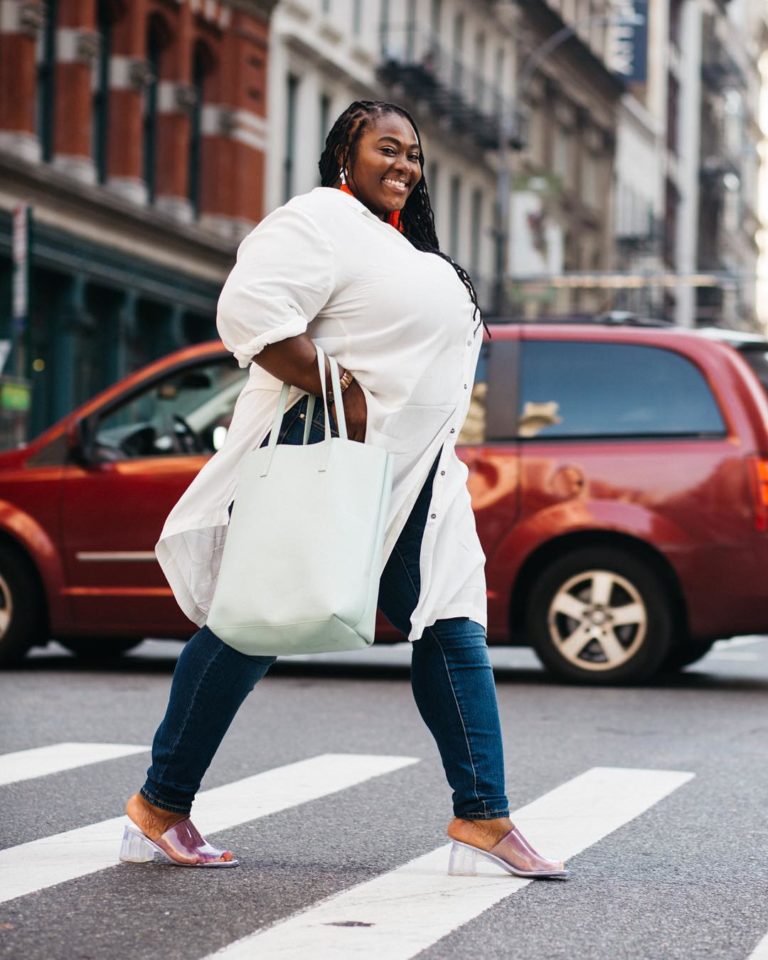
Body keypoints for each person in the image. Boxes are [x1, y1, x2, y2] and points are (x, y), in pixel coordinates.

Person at [120, 100, 567, 879]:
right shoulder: (318, 219)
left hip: (424, 478)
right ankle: (158, 807)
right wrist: (345, 392)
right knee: (250, 628)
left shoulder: (401, 245)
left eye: (413, 154)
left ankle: (483, 816)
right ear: (344, 158)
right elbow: (247, 310)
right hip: (335, 464)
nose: (403, 165)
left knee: (453, 626)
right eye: (385, 149)